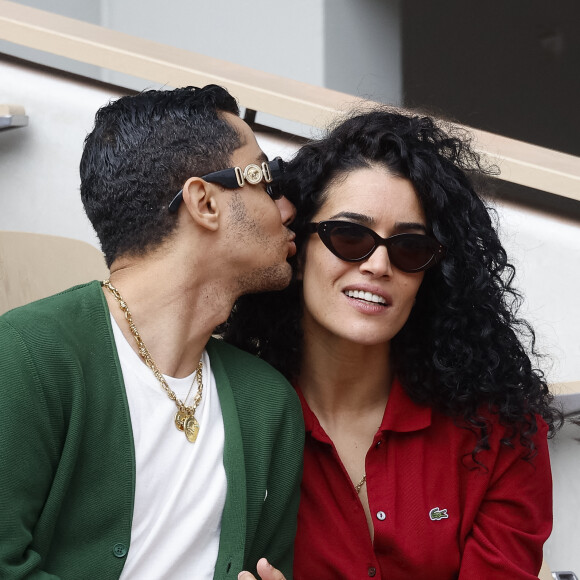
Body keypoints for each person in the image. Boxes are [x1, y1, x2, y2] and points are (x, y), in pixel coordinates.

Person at [227, 108, 561, 580]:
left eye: (409, 248)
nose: (378, 265)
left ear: (431, 273)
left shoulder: (500, 427)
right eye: (349, 235)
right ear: (297, 251)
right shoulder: (228, 416)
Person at [0, 85, 304, 580]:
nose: (287, 209)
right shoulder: (28, 356)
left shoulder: (268, 405)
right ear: (204, 202)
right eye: (265, 181)